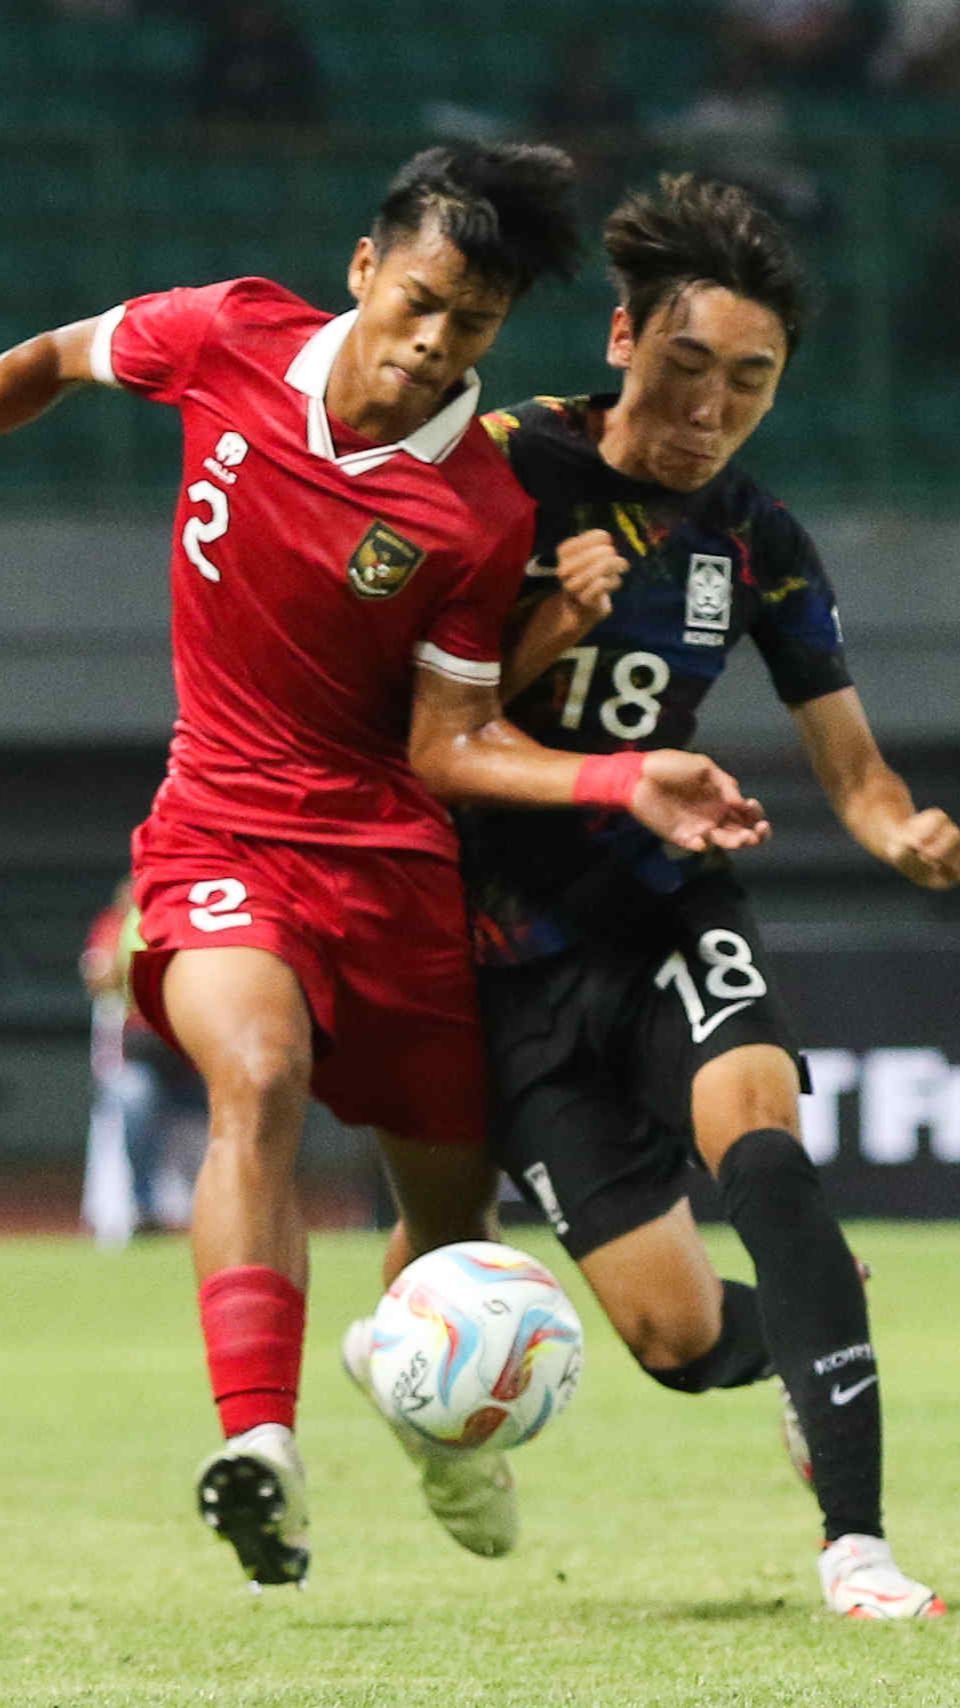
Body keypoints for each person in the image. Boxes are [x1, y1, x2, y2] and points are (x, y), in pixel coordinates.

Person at [0, 145, 770, 1590]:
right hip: (220, 827)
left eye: (470, 326)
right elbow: (49, 355)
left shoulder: (473, 516)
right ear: (364, 269)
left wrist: (613, 767)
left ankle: (445, 1429)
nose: (431, 345)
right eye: (417, 302)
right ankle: (261, 1443)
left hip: (393, 861)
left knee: (443, 1222)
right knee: (261, 1073)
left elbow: (446, 744)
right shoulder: (223, 334)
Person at [354, 174, 959, 1620]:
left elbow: (858, 771)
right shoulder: (493, 468)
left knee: (765, 1151)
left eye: (750, 384)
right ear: (624, 340)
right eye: (689, 369)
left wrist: (910, 835)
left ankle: (857, 1549)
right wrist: (545, 622)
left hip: (666, 905)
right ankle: (803, 1341)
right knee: (679, 1340)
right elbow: (399, 730)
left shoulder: (758, 540)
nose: (712, 408)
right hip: (502, 957)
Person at [80, 878, 206, 1245]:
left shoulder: (195, 917)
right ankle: (144, 1209)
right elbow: (98, 977)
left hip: (197, 1055)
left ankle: (230, 1216)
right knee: (135, 1100)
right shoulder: (118, 922)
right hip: (143, 1053)